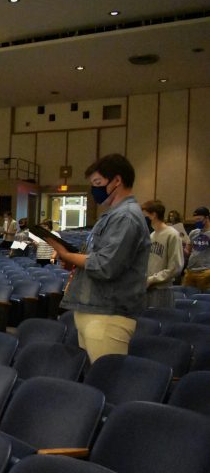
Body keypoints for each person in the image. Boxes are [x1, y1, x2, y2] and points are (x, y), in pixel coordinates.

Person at [50, 154, 150, 363]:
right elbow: (95, 258)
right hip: (95, 311)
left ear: (117, 180)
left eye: (98, 183)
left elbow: (106, 266)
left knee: (107, 382)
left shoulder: (126, 216)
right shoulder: (113, 215)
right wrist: (72, 261)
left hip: (108, 315)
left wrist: (67, 254)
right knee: (94, 380)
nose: (94, 189)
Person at [142, 200, 184, 308]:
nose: (143, 218)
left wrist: (152, 279)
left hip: (162, 290)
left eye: (145, 215)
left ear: (154, 215)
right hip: (148, 289)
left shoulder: (172, 234)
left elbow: (175, 267)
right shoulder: (152, 235)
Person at [183, 206, 210, 291]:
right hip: (190, 271)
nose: (197, 222)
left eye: (199, 219)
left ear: (207, 218)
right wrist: (181, 246)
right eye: (195, 220)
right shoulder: (193, 233)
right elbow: (188, 252)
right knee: (186, 295)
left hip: (205, 271)